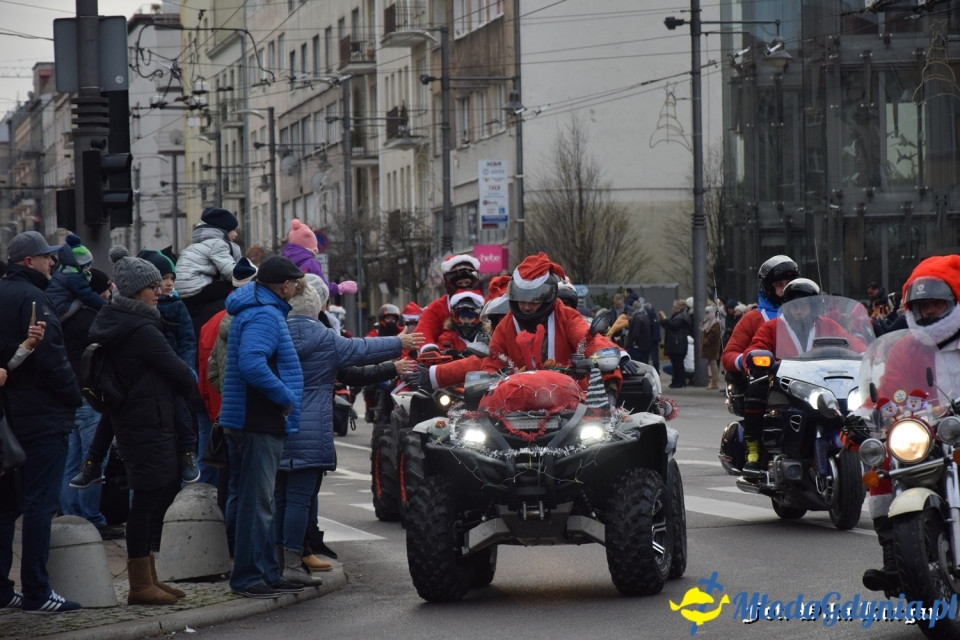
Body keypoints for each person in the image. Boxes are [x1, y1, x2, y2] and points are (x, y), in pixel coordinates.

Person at [276, 280, 422, 584]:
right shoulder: (325, 337)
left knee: (278, 499)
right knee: (300, 501)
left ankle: (275, 560)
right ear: (316, 307)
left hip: (275, 427)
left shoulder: (274, 331)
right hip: (310, 431)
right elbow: (361, 349)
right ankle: (291, 563)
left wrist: (391, 365)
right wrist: (400, 343)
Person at [88, 255, 197, 605]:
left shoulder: (121, 321)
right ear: (136, 292)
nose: (159, 292)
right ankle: (140, 586)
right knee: (147, 501)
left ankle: (148, 578)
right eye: (153, 287)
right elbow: (180, 372)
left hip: (139, 419)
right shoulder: (142, 330)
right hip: (147, 422)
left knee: (149, 500)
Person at [860, 256, 960, 596]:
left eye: (937, 304)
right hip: (929, 433)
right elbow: (887, 392)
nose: (930, 312)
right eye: (923, 306)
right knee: (882, 461)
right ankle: (895, 559)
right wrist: (867, 416)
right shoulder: (906, 348)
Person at [0, 231, 84, 614]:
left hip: (9, 415)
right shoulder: (35, 298)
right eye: (47, 258)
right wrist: (73, 397)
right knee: (39, 503)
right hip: (42, 414)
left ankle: (2, 589)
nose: (53, 263)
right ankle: (37, 590)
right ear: (28, 261)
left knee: (7, 505)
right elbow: (52, 359)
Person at [219, 255, 306, 599]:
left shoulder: (257, 309)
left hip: (251, 418)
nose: (297, 287)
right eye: (294, 282)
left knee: (258, 501)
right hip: (258, 420)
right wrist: (286, 398)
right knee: (257, 504)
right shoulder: (266, 315)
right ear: (283, 286)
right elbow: (252, 365)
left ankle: (268, 573)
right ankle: (248, 578)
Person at [481, 252, 624, 391]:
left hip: (571, 400)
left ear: (548, 296)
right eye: (521, 300)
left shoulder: (566, 316)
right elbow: (491, 364)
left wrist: (603, 359)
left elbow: (588, 340)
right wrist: (494, 382)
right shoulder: (506, 325)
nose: (526, 307)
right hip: (519, 403)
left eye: (533, 300)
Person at [58, 268, 121, 540]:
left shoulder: (66, 317)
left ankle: (71, 515)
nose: (110, 293)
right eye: (107, 289)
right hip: (89, 398)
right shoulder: (92, 319)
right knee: (94, 459)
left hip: (69, 395)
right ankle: (92, 519)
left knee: (71, 461)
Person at [175, 207, 243, 342]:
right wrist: (256, 278)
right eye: (233, 230)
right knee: (233, 288)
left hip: (183, 292)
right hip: (196, 290)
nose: (236, 234)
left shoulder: (197, 244)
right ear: (224, 230)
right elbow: (233, 273)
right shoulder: (217, 243)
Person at [414, 254, 480, 353]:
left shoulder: (484, 305)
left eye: (467, 283)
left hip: (481, 362)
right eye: (460, 284)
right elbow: (423, 331)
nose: (463, 287)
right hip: (446, 360)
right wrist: (429, 348)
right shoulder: (437, 307)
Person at [281, 219, 357, 298]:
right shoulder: (311, 263)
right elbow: (322, 288)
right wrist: (340, 288)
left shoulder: (281, 262)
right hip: (307, 306)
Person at [45, 233, 106, 321]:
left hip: (53, 307)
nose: (90, 268)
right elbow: (88, 296)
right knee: (81, 300)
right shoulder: (74, 276)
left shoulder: (62, 270)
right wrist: (106, 306)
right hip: (61, 311)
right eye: (88, 265)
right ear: (81, 266)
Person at [659, 300, 691, 389]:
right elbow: (668, 325)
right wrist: (663, 320)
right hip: (675, 344)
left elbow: (673, 325)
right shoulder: (677, 316)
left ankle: (680, 382)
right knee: (675, 364)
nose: (672, 308)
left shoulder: (682, 317)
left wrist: (665, 318)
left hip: (678, 344)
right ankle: (676, 381)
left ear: (678, 308)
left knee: (678, 364)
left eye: (674, 307)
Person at [700, 304, 722, 390]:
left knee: (713, 363)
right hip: (709, 346)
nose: (706, 314)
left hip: (712, 346)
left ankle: (714, 382)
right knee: (711, 363)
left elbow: (713, 334)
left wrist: (706, 341)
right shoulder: (709, 321)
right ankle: (713, 381)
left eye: (707, 312)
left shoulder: (715, 322)